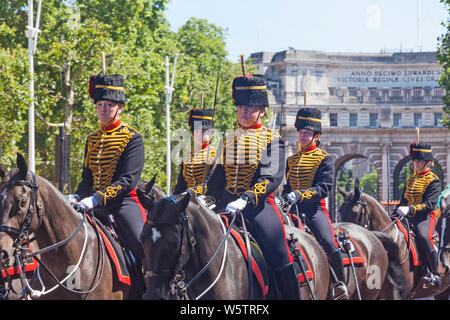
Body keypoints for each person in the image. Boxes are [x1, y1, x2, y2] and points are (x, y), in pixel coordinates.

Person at [202, 74, 299, 299]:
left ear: (262, 111)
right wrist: (206, 199)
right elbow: (217, 177)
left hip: (258, 207)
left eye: (250, 108)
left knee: (279, 254)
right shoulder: (228, 139)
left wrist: (246, 198)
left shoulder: (272, 139)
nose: (244, 112)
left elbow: (271, 177)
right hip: (226, 206)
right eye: (241, 107)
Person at [69, 74, 146, 266]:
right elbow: (86, 180)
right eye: (99, 105)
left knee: (142, 245)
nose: (103, 109)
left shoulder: (133, 138)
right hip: (91, 204)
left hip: (122, 204)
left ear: (120, 107)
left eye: (109, 105)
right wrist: (76, 197)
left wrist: (96, 198)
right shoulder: (92, 139)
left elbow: (128, 180)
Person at [281, 107, 349, 300]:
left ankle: (339, 285)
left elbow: (324, 188)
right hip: (292, 210)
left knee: (329, 244)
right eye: (301, 132)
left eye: (307, 133)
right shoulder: (292, 160)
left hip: (313, 210)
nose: (303, 136)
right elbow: (288, 186)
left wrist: (299, 195)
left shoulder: (324, 158)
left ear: (316, 137)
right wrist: (284, 198)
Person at [395, 142, 442, 288]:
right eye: (415, 160)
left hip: (424, 217)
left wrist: (410, 210)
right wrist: (396, 211)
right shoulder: (409, 181)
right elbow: (403, 201)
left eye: (419, 161)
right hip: (408, 217)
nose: (416, 163)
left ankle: (435, 273)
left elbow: (430, 205)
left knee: (423, 236)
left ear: (427, 163)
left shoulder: (433, 180)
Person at [173, 108, 216, 197]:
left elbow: (211, 181)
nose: (200, 134)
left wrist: (190, 193)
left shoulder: (215, 154)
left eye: (204, 131)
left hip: (207, 198)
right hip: (186, 198)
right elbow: (181, 184)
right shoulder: (187, 156)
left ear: (211, 134)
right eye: (196, 131)